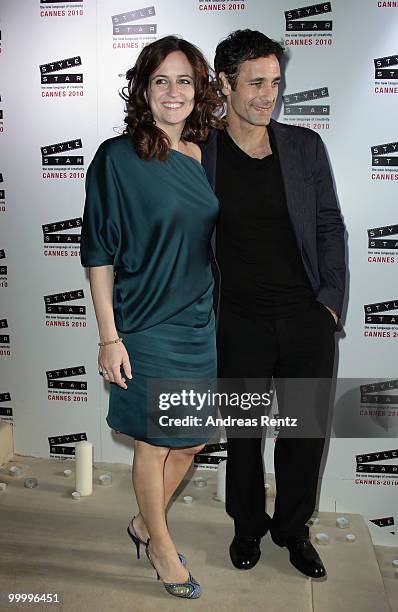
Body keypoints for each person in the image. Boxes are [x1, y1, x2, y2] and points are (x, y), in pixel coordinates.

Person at [80, 35, 223, 599]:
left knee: (190, 442)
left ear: (199, 90)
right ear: (143, 88)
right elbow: (98, 252)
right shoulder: (118, 157)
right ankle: (161, 549)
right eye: (160, 80)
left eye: (184, 80)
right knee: (155, 443)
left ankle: (145, 521)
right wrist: (108, 337)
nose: (173, 91)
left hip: (198, 320)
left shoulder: (199, 155)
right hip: (145, 322)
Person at [200, 29, 346, 578]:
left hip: (306, 319)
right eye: (256, 82)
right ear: (225, 84)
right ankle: (246, 527)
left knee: (304, 435)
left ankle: (292, 531)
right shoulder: (202, 153)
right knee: (242, 439)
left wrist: (329, 302)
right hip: (238, 321)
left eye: (276, 82)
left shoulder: (305, 146)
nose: (268, 95)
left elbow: (330, 225)